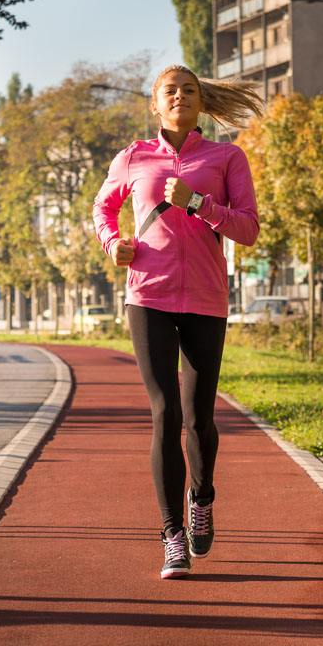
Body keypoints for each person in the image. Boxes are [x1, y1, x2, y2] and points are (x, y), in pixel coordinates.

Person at [93, 64, 263, 580]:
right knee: (165, 411)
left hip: (207, 299)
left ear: (200, 102)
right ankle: (171, 535)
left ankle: (202, 495)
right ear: (155, 103)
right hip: (148, 295)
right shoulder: (133, 158)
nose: (180, 97)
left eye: (189, 90)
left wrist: (201, 204)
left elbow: (249, 229)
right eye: (170, 91)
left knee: (199, 419)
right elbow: (102, 209)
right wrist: (113, 244)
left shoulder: (226, 157)